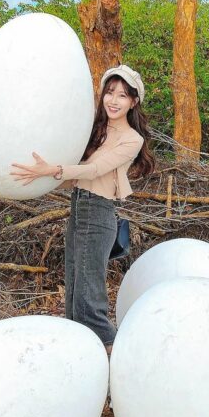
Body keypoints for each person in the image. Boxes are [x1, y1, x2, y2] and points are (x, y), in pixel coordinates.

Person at [10, 64, 155, 354]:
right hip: (80, 208)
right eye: (110, 93)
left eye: (123, 95)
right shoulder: (95, 130)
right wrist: (39, 177)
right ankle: (83, 363)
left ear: (134, 102)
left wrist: (54, 169)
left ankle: (120, 365)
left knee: (90, 302)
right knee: (75, 298)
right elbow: (76, 177)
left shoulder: (132, 139)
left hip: (99, 213)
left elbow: (95, 169)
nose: (114, 100)